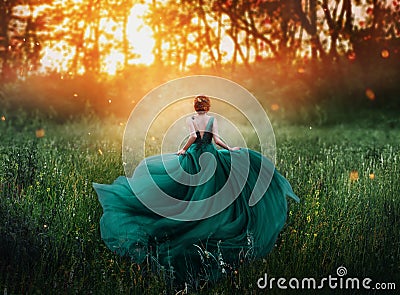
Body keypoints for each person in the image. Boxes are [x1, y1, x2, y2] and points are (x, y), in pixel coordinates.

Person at [93, 95, 299, 284]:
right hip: (210, 154)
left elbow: (193, 136)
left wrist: (183, 149)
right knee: (213, 189)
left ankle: (188, 219)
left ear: (195, 107)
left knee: (188, 189)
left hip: (195, 154)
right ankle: (210, 221)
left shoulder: (191, 119)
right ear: (208, 107)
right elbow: (216, 140)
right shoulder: (212, 120)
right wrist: (229, 149)